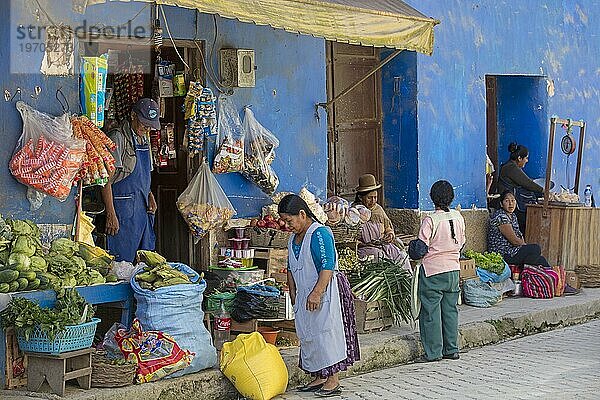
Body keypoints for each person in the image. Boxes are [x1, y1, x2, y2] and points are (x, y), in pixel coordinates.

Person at [278, 194, 359, 397]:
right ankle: (319, 376)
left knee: (327, 332)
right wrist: (293, 292)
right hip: (305, 294)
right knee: (309, 333)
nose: (287, 225)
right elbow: (290, 268)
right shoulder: (292, 238)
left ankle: (333, 379)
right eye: (284, 221)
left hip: (326, 291)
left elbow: (327, 265)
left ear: (302, 214)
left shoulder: (320, 233)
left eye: (289, 220)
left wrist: (316, 292)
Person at [101, 98, 159, 262]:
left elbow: (145, 174)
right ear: (133, 115)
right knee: (121, 264)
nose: (146, 128)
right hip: (122, 212)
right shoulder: (118, 138)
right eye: (143, 123)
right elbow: (105, 180)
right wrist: (111, 214)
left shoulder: (144, 140)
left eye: (150, 126)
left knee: (143, 262)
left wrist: (150, 195)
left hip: (142, 210)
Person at [416, 180, 465, 362]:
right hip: (453, 269)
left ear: (432, 198)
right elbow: (462, 242)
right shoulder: (459, 217)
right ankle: (452, 349)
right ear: (451, 197)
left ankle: (433, 352)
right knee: (450, 310)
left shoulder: (430, 220)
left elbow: (421, 247)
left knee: (430, 312)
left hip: (433, 272)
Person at [353, 174, 411, 270]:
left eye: (375, 197)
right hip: (365, 248)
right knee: (378, 255)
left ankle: (407, 281)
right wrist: (365, 244)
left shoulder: (378, 209)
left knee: (401, 255)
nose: (373, 201)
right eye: (369, 198)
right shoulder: (355, 212)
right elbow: (352, 240)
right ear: (360, 197)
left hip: (382, 245)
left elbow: (388, 228)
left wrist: (390, 234)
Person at [487, 191, 550, 267]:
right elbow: (514, 241)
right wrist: (525, 247)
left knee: (540, 259)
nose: (511, 204)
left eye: (513, 200)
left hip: (513, 251)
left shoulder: (513, 216)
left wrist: (524, 247)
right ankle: (523, 270)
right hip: (503, 254)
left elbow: (519, 235)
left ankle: (554, 276)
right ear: (501, 204)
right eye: (507, 201)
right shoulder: (500, 216)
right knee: (535, 249)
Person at [497, 142, 544, 232]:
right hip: (510, 205)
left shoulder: (511, 166)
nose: (527, 161)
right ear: (519, 158)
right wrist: (543, 190)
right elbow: (527, 183)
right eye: (526, 158)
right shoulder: (511, 167)